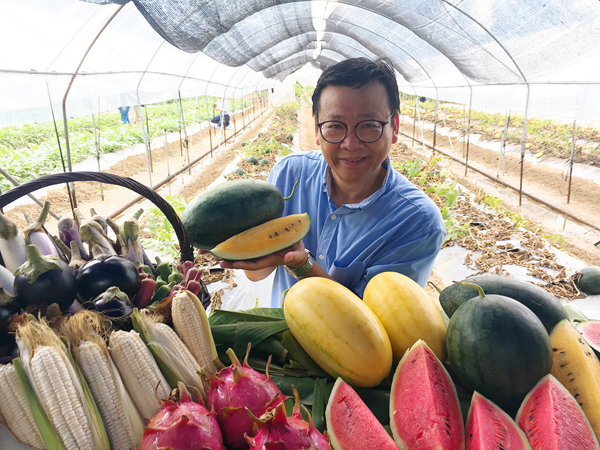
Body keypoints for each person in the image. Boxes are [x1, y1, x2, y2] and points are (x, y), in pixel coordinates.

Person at [220, 58, 446, 307]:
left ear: (394, 127)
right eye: (335, 126)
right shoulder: (288, 174)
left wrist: (302, 264)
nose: (351, 144)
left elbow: (370, 322)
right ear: (317, 130)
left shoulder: (418, 221)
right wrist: (245, 244)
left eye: (369, 125)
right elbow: (257, 274)